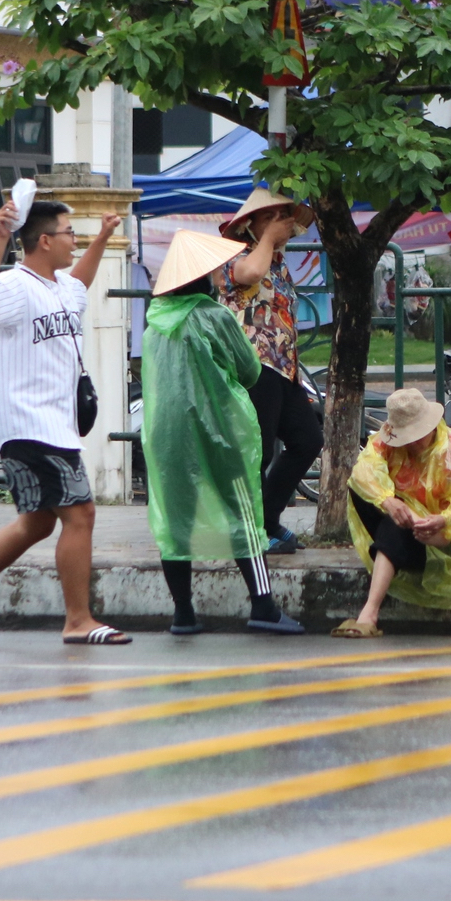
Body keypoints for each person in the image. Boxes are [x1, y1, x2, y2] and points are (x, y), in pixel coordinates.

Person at [0, 198, 125, 645]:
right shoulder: (16, 286)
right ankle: (78, 620)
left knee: (38, 522)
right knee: (81, 514)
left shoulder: (59, 285)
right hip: (30, 424)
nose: (73, 239)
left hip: (46, 425)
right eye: (68, 232)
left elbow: (81, 284)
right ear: (44, 240)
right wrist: (1, 236)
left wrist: (101, 239)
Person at [145, 229, 305, 636]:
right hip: (218, 429)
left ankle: (183, 613)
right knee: (243, 514)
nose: (221, 274)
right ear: (199, 276)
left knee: (175, 519)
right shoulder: (213, 316)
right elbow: (250, 370)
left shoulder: (152, 326)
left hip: (165, 435)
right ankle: (263, 607)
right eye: (214, 269)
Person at [331, 388, 451, 639]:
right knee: (366, 495)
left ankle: (369, 613)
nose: (410, 443)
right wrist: (388, 501)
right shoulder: (386, 442)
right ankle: (370, 610)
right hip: (400, 526)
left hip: (438, 539)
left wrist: (440, 519)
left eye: (416, 436)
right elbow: (363, 473)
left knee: (394, 527)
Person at [219, 188, 321, 555]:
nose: (279, 224)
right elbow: (250, 272)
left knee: (308, 440)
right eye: (269, 217)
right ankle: (252, 531)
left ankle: (266, 519)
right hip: (252, 368)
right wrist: (267, 239)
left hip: (283, 369)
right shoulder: (235, 257)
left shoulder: (278, 263)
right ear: (250, 226)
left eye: (282, 217)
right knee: (256, 454)